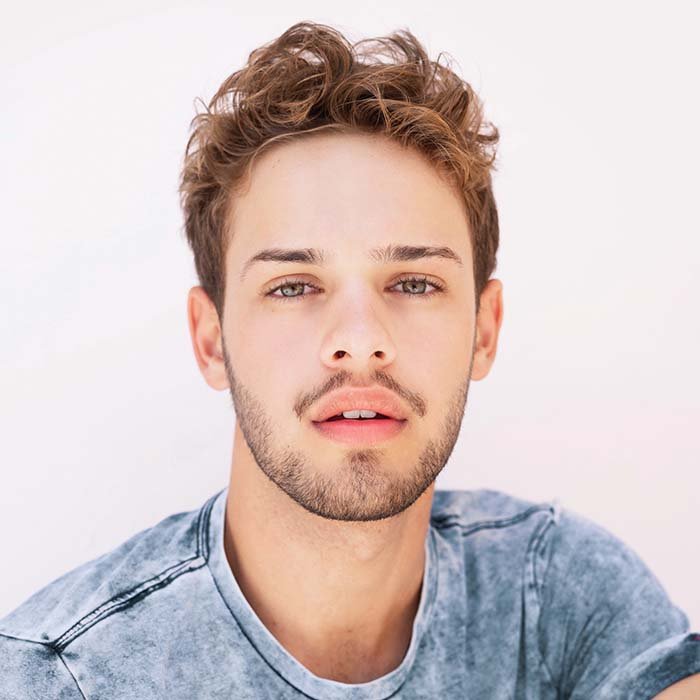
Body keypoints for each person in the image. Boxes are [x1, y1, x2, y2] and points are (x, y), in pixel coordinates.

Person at [1, 20, 698, 699]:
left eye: (415, 283)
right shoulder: (59, 677)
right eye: (293, 286)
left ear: (484, 332)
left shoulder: (556, 595)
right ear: (211, 340)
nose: (360, 340)